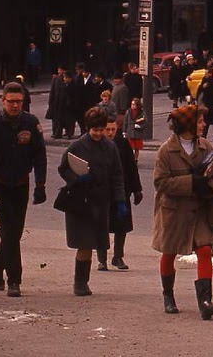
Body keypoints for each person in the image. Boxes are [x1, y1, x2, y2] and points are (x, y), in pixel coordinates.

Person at [152, 104, 213, 319]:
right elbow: (161, 183)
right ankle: (168, 296)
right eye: (200, 121)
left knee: (205, 250)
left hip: (199, 209)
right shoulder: (166, 151)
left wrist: (210, 185)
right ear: (188, 125)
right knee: (169, 252)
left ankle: (205, 302)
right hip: (174, 211)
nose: (204, 125)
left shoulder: (205, 146)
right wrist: (191, 182)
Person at [0, 83, 47, 298]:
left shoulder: (31, 123)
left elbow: (39, 155)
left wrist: (41, 185)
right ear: (3, 101)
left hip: (21, 184)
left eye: (18, 102)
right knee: (9, 232)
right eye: (10, 101)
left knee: (15, 232)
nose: (14, 105)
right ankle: (14, 280)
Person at [58, 107, 127, 297]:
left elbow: (117, 175)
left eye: (101, 130)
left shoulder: (110, 147)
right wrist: (76, 179)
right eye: (95, 130)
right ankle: (80, 282)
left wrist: (120, 201)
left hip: (101, 201)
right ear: (88, 128)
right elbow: (63, 168)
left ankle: (83, 281)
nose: (98, 133)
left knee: (95, 241)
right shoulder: (77, 146)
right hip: (82, 201)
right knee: (85, 242)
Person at [97, 117, 143, 271]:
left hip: (121, 191)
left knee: (121, 226)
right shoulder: (97, 144)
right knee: (102, 226)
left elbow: (131, 167)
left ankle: (118, 256)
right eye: (107, 130)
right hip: (102, 192)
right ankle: (102, 259)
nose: (110, 133)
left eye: (113, 129)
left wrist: (137, 189)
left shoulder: (123, 144)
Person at [196, 67, 213, 140]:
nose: (205, 74)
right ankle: (204, 134)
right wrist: (203, 86)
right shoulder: (204, 80)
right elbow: (200, 90)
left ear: (210, 73)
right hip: (207, 102)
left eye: (206, 73)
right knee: (206, 119)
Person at [125, 97, 147, 161]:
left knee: (137, 148)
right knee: (130, 147)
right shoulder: (128, 112)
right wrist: (124, 131)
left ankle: (135, 159)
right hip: (130, 132)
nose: (132, 106)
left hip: (138, 133)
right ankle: (131, 159)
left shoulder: (141, 112)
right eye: (132, 104)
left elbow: (145, 122)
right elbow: (125, 122)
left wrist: (140, 126)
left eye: (134, 104)